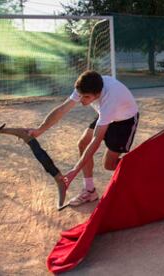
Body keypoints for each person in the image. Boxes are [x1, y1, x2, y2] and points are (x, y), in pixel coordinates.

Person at [28, 70, 139, 206]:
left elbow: (96, 141)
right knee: (83, 143)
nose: (81, 100)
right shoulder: (85, 86)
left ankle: (142, 169)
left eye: (86, 97)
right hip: (106, 115)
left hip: (124, 121)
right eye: (80, 96)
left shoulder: (109, 99)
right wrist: (40, 130)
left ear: (97, 95)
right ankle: (90, 190)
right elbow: (62, 109)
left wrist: (75, 170)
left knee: (109, 165)